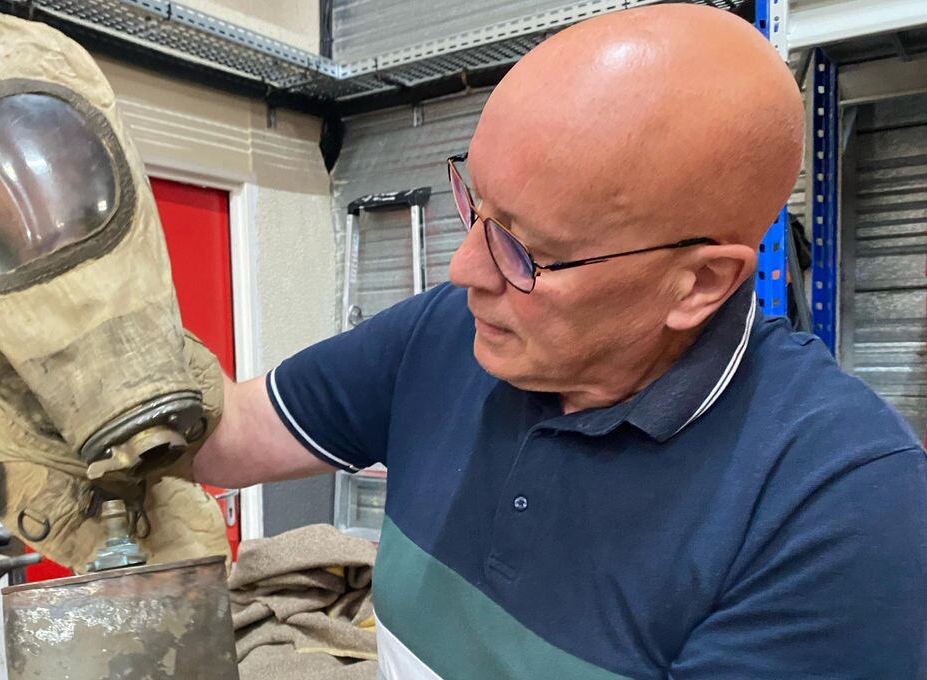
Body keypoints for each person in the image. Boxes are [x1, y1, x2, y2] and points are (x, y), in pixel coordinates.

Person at [190, 4, 927, 678]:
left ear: (698, 282)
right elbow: (232, 433)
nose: (464, 268)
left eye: (526, 250)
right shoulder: (448, 331)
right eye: (476, 204)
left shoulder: (845, 512)